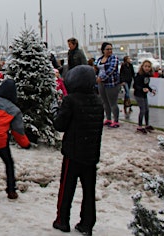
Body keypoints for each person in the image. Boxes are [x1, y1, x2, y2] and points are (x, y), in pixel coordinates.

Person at [52, 65, 104, 235]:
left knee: (67, 187)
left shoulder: (71, 100)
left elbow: (60, 125)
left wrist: (56, 110)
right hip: (91, 153)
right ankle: (87, 223)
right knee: (89, 190)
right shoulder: (98, 101)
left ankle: (62, 220)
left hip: (73, 153)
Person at [95, 42, 121, 128]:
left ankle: (116, 120)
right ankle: (108, 118)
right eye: (107, 49)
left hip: (111, 83)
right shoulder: (99, 59)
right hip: (101, 84)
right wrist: (96, 77)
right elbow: (96, 68)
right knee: (105, 102)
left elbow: (111, 69)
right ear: (103, 50)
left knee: (112, 102)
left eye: (111, 49)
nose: (109, 51)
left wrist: (101, 77)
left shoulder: (114, 58)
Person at [133, 60, 156, 134]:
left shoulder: (147, 75)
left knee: (147, 110)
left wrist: (151, 90)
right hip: (138, 94)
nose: (147, 68)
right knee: (142, 110)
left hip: (144, 94)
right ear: (142, 67)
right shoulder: (139, 75)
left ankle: (147, 124)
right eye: (145, 66)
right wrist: (142, 89)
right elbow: (135, 86)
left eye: (148, 67)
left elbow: (146, 85)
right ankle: (139, 126)